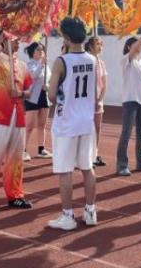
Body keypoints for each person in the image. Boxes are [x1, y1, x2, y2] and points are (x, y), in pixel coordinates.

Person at [46, 17, 98, 231]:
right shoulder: (93, 59)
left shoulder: (61, 61)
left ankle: (68, 215)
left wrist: (52, 87)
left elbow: (51, 96)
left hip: (66, 122)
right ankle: (91, 211)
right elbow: (95, 93)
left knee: (65, 171)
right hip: (86, 121)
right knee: (87, 167)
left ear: (66, 37)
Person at [0, 34, 32, 215]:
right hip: (0, 116)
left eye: (18, 40)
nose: (18, 42)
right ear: (5, 41)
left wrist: (21, 94)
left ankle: (15, 195)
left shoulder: (22, 65)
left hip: (19, 116)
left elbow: (30, 90)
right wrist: (2, 34)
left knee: (16, 160)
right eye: (14, 39)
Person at [116, 24, 141, 176]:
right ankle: (121, 164)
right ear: (129, 47)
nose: (140, 47)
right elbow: (136, 48)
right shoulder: (127, 60)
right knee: (126, 132)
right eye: (136, 44)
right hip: (130, 100)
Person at [23, 41, 52, 160]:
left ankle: (41, 149)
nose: (41, 52)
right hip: (32, 97)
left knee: (42, 124)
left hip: (44, 96)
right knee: (29, 125)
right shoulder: (29, 65)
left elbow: (49, 80)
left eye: (42, 49)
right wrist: (42, 64)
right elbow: (33, 76)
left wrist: (47, 86)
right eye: (38, 50)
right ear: (32, 52)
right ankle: (23, 150)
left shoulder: (46, 66)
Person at [85, 36, 108, 167]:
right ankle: (85, 155)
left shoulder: (101, 63)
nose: (100, 46)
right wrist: (91, 99)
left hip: (98, 100)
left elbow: (104, 84)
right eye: (97, 44)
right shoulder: (87, 61)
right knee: (87, 128)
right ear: (90, 46)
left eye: (101, 44)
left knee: (97, 128)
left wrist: (99, 100)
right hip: (87, 99)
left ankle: (94, 154)